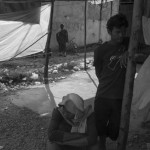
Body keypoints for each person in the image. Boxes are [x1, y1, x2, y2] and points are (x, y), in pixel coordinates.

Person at [93, 13, 129, 150]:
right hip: (102, 96)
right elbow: (98, 72)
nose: (121, 35)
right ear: (109, 31)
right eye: (117, 32)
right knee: (100, 132)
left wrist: (128, 52)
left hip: (120, 98)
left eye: (123, 32)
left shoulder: (128, 43)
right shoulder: (100, 51)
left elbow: (145, 47)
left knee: (115, 132)